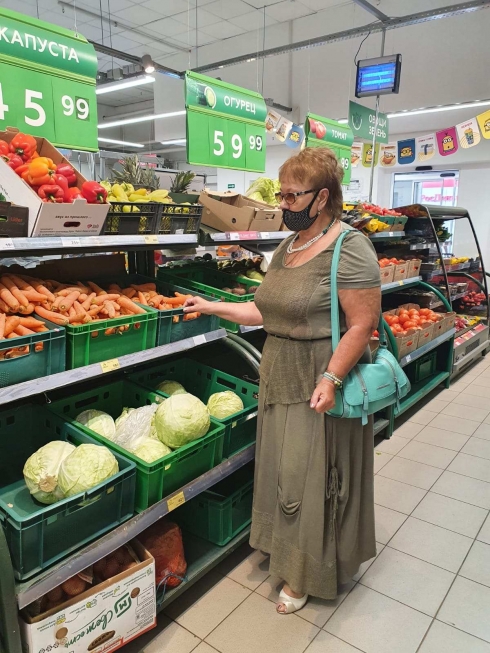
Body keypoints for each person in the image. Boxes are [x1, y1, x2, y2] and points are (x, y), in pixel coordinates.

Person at [183, 147, 381, 614]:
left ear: (322, 197)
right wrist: (211, 307)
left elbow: (362, 324)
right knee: (282, 472)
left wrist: (331, 377)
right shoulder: (287, 247)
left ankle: (308, 571)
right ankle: (286, 550)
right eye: (282, 195)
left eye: (293, 196)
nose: (284, 205)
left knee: (310, 477)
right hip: (278, 372)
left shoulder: (350, 247)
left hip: (320, 376)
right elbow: (261, 310)